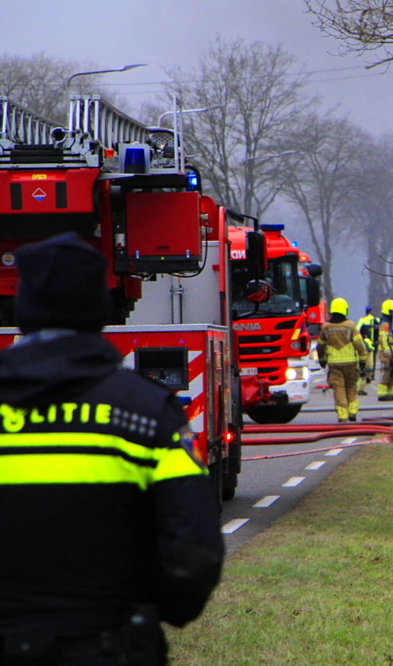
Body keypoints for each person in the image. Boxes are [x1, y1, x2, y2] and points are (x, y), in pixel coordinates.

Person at [0, 233, 224, 666]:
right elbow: (195, 550)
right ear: (99, 307)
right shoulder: (146, 414)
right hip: (109, 647)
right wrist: (158, 611)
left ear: (23, 306)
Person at [317, 297, 368, 421]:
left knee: (338, 387)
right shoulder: (350, 326)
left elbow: (320, 345)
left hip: (334, 363)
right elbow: (359, 344)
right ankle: (352, 411)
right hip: (350, 362)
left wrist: (322, 359)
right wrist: (362, 360)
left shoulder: (326, 327)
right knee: (351, 386)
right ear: (345, 309)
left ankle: (342, 414)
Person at [376, 299, 393, 401]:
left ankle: (392, 392)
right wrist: (387, 350)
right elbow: (383, 338)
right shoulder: (385, 323)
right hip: (386, 351)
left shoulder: (390, 323)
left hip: (392, 349)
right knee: (387, 371)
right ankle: (382, 393)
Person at [356, 306, 380, 396]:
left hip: (364, 346)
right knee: (370, 365)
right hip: (374, 345)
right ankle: (369, 377)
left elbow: (357, 331)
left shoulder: (362, 320)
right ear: (372, 311)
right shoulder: (376, 320)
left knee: (362, 366)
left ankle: (360, 387)